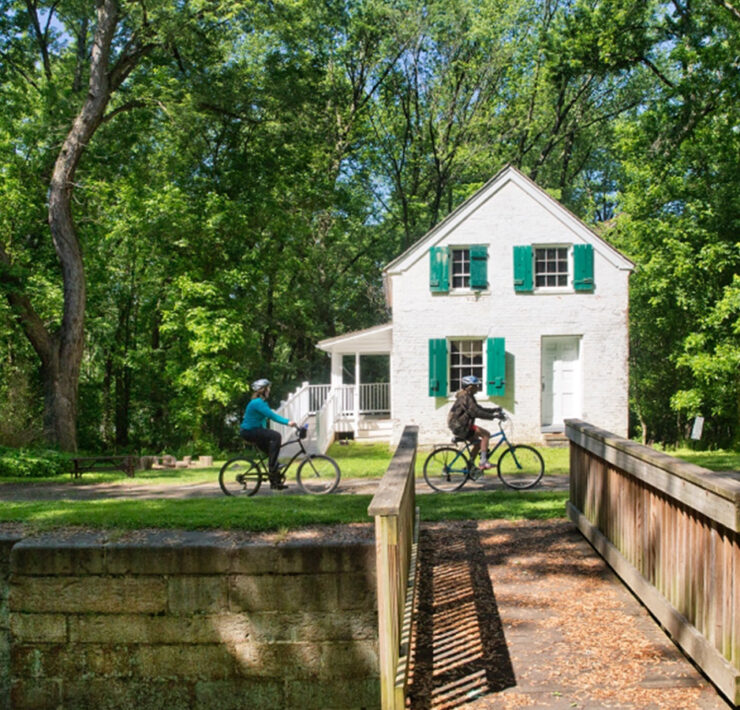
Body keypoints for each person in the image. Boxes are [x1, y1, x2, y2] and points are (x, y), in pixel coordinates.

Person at [240, 378, 296, 489]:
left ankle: (275, 483)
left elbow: (262, 421)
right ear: (262, 390)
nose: (269, 390)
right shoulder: (257, 403)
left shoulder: (260, 403)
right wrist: (287, 422)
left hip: (253, 431)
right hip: (249, 431)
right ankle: (273, 468)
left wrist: (266, 432)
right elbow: (272, 416)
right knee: (276, 436)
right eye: (268, 388)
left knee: (272, 452)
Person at [447, 374, 504, 471]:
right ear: (470, 387)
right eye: (476, 386)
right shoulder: (465, 397)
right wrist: (493, 416)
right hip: (461, 426)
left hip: (461, 425)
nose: (478, 388)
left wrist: (494, 410)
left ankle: (469, 467)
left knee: (478, 444)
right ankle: (483, 461)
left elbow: (479, 408)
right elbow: (475, 412)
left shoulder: (468, 396)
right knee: (486, 434)